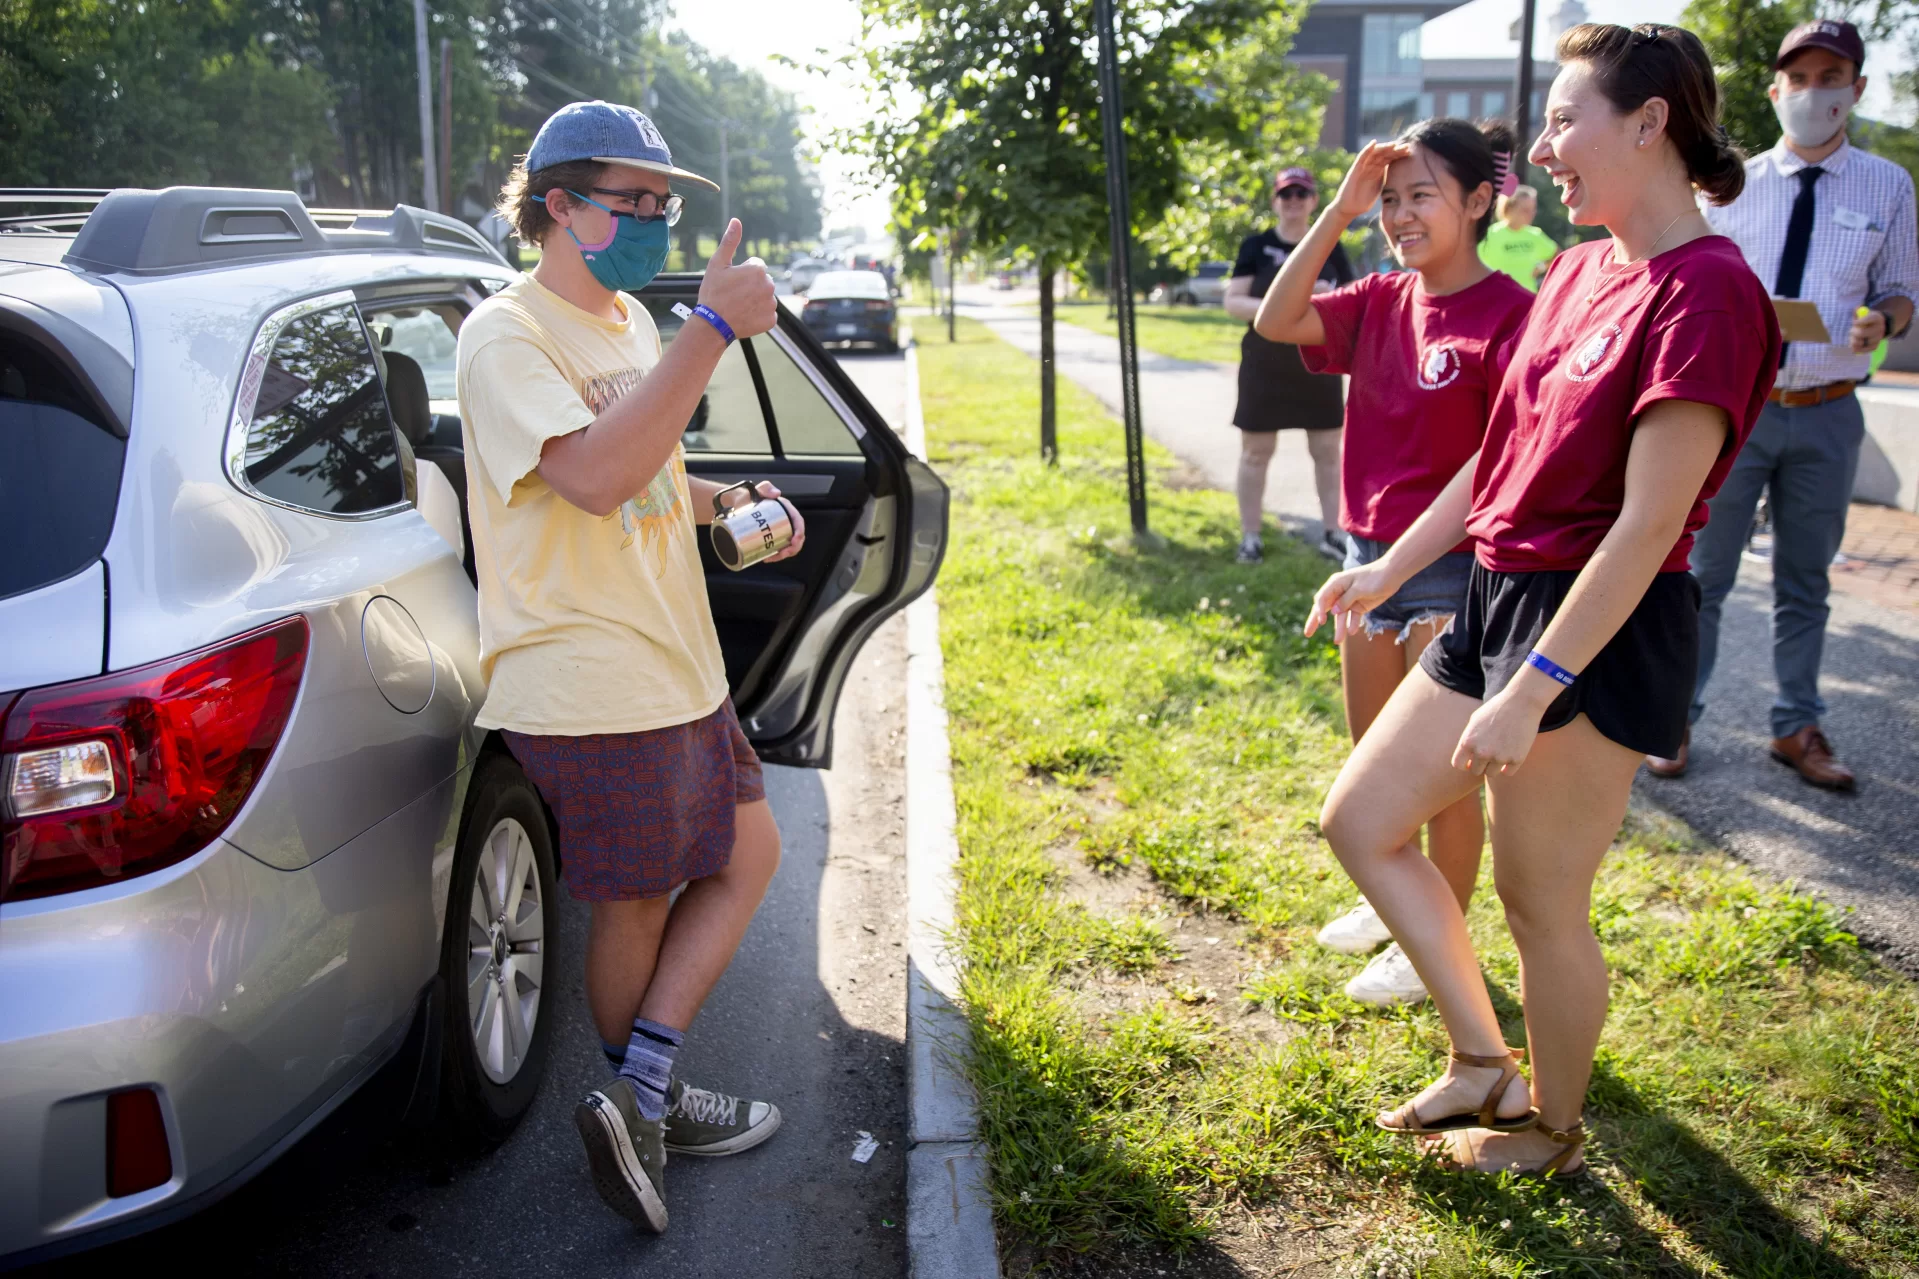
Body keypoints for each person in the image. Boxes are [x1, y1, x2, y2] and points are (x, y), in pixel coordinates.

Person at [1308, 23, 1777, 1176]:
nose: (1545, 151)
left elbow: (1648, 523)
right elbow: (1495, 461)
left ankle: (1552, 1131)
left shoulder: (1706, 291)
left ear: (1651, 121)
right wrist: (1385, 564)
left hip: (1591, 626)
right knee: (1360, 822)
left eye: (1566, 121)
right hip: (1492, 595)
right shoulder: (1571, 269)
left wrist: (1537, 685)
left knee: (1533, 898)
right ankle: (1481, 1060)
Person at [455, 100, 796, 1233]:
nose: (655, 220)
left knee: (749, 852)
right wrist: (710, 325)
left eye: (664, 203)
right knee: (639, 899)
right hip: (587, 674)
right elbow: (591, 478)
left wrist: (729, 502)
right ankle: (646, 1103)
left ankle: (641, 1089)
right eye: (632, 202)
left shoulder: (629, 327)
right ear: (559, 205)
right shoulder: (507, 335)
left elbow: (647, 470)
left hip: (674, 661)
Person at [1254, 122, 1534, 1006]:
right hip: (1363, 554)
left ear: (1478, 202)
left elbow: (1494, 460)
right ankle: (1396, 903)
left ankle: (1436, 941)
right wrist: (1338, 209)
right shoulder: (1377, 295)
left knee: (1440, 784)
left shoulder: (1511, 314)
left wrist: (1408, 565)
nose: (1399, 215)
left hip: (1452, 570)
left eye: (1420, 196)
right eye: (1387, 200)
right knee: (1376, 757)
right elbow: (1276, 319)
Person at [1650, 18, 1918, 788]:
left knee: (1806, 581)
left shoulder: (1887, 185)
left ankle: (1794, 724)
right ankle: (1675, 718)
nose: (1810, 92)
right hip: (1735, 409)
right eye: (1796, 79)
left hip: (1830, 409)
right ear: (1773, 90)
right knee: (1701, 572)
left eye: (1829, 77)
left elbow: (1901, 289)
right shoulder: (1725, 184)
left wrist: (1885, 319)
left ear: (1855, 90)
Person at [1224, 166, 1354, 563]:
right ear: (1275, 201)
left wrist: (1321, 300)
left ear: (1314, 200)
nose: (1294, 201)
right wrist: (1286, 307)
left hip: (1318, 363)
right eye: (1286, 194)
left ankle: (1332, 532)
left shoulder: (1329, 244)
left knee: (1328, 450)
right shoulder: (1256, 246)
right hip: (1265, 364)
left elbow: (1350, 297)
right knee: (1255, 451)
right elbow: (1233, 301)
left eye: (1301, 194)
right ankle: (1251, 537)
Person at [1479, 184, 1559, 291]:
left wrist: (1541, 267)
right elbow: (1469, 263)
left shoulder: (1535, 234)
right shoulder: (1490, 234)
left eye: (1533, 209)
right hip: (1497, 298)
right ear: (1509, 208)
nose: (1531, 214)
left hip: (1527, 300)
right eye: (1525, 210)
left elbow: (1558, 255)